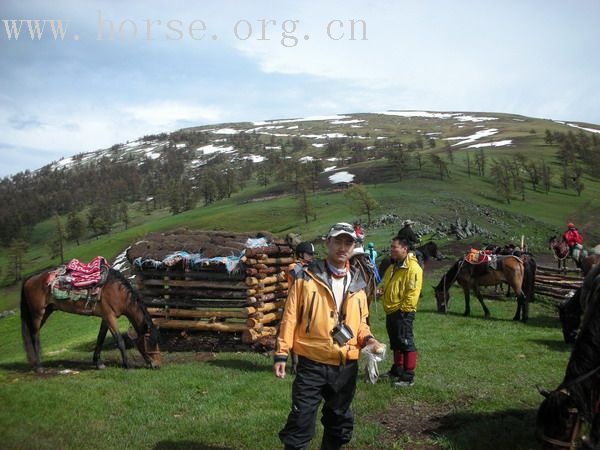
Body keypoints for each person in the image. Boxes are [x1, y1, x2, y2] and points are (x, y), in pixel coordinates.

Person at [274, 222, 382, 450]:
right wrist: (281, 353)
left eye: (348, 243)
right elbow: (290, 317)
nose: (343, 247)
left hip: (345, 366)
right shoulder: (306, 277)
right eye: (338, 241)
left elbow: (361, 323)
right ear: (327, 243)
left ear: (354, 247)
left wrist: (369, 340)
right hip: (311, 364)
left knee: (339, 424)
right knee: (300, 424)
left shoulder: (359, 283)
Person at [380, 237, 423, 387]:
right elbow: (386, 284)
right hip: (391, 310)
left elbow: (412, 292)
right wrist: (381, 291)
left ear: (404, 249)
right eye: (391, 247)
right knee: (396, 342)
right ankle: (397, 370)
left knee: (406, 342)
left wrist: (404, 310)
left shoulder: (413, 268)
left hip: (403, 312)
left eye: (394, 247)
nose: (391, 250)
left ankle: (408, 375)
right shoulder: (393, 267)